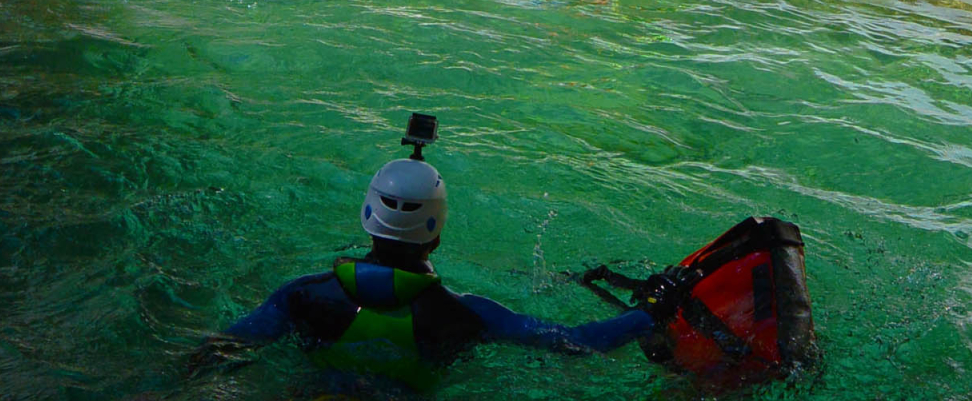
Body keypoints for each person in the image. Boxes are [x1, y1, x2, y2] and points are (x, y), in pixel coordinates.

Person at [188, 156, 690, 392]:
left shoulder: (301, 297)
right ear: (438, 232)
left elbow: (219, 350)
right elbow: (580, 342)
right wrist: (653, 310)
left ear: (366, 217)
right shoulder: (467, 315)